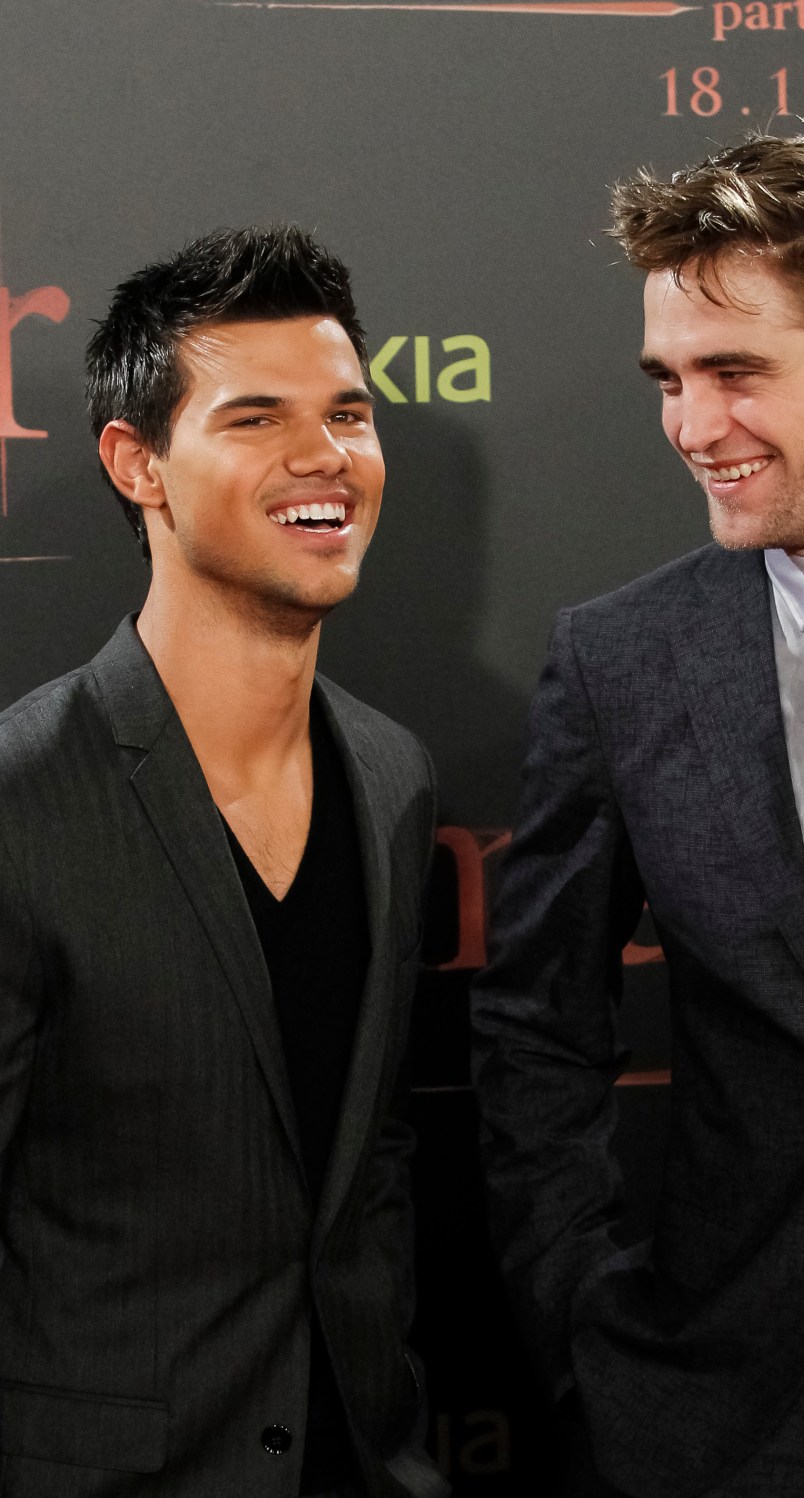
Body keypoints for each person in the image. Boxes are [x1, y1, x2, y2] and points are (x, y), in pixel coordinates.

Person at [472, 114, 804, 1497]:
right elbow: (537, 1027)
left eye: (735, 372)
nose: (692, 427)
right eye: (670, 378)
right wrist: (585, 1324)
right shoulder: (620, 659)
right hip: (730, 1406)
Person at [0, 225, 447, 1498]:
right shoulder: (20, 799)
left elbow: (370, 1164)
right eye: (256, 419)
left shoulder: (393, 775)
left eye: (348, 414)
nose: (326, 456)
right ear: (136, 462)